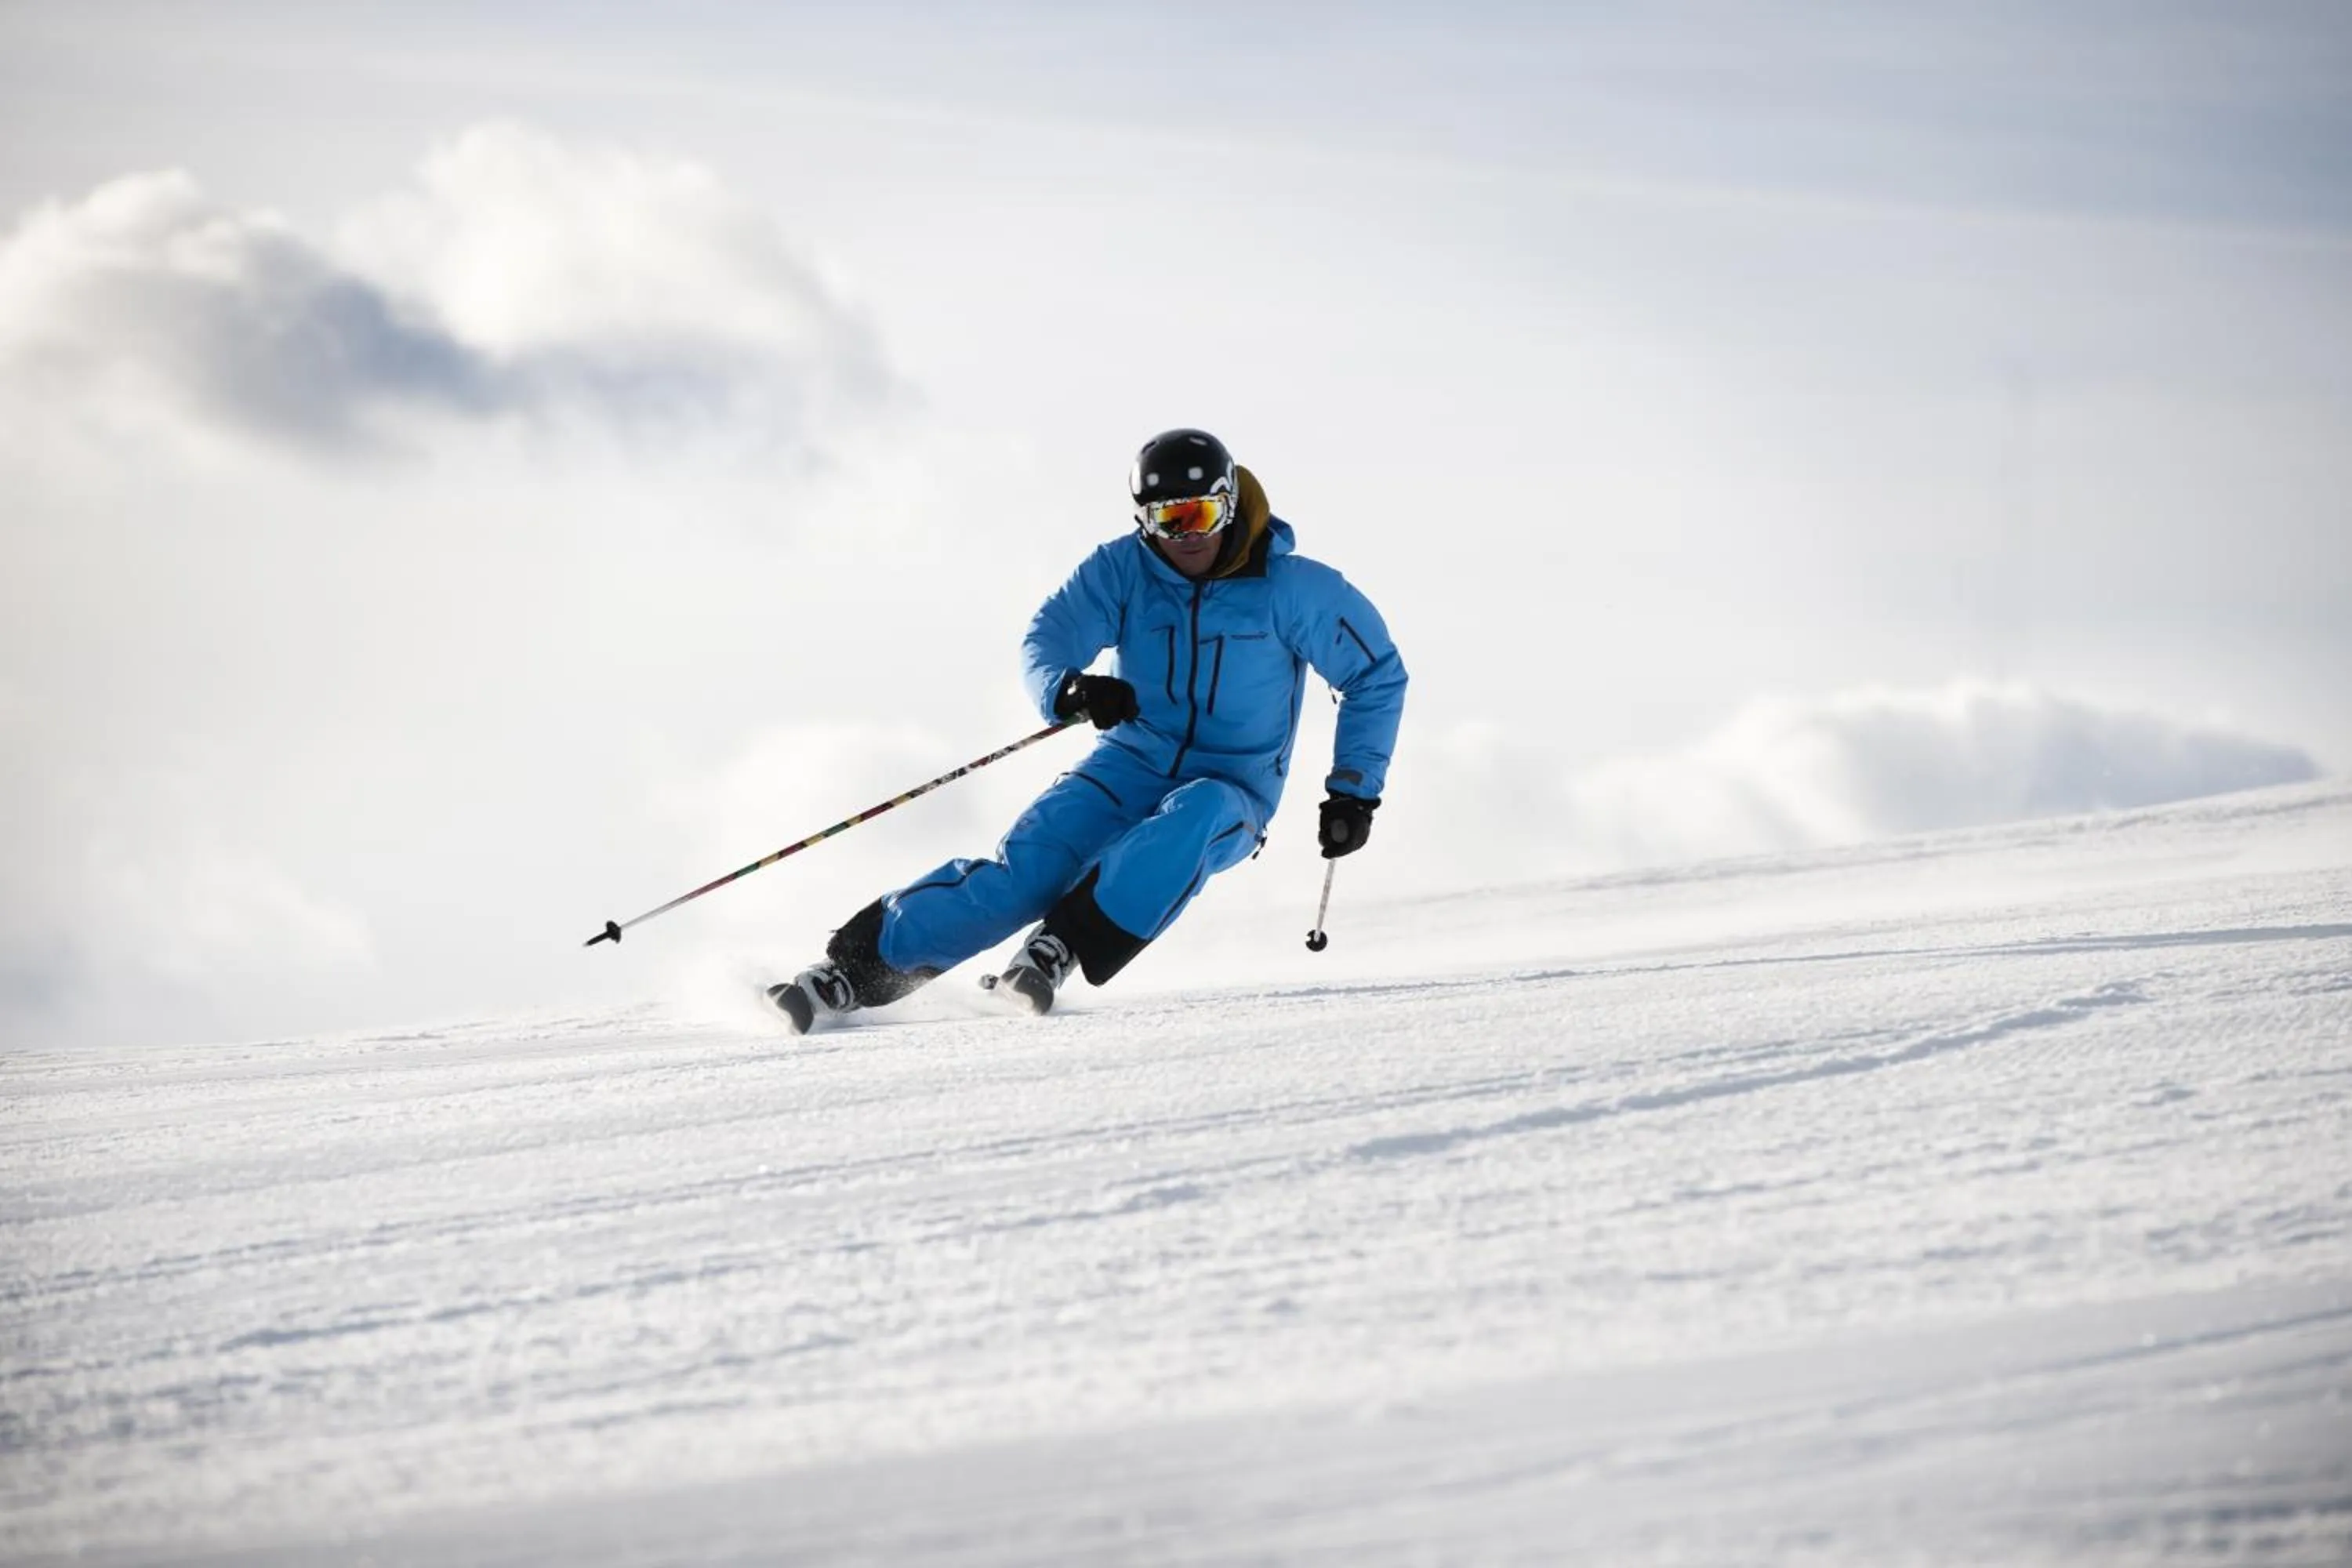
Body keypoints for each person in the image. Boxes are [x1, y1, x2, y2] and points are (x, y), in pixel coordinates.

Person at [767, 427, 1407, 1032]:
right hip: (1128, 761)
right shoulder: (1123, 571)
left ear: (1229, 504)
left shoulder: (1294, 590)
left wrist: (1354, 789)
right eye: (1166, 520)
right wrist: (1068, 688)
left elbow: (1375, 676)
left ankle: (1060, 947)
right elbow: (1048, 638)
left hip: (1234, 786)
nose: (1185, 537)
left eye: (1200, 516)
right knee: (1025, 872)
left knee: (1195, 813)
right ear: (1143, 521)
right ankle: (850, 972)